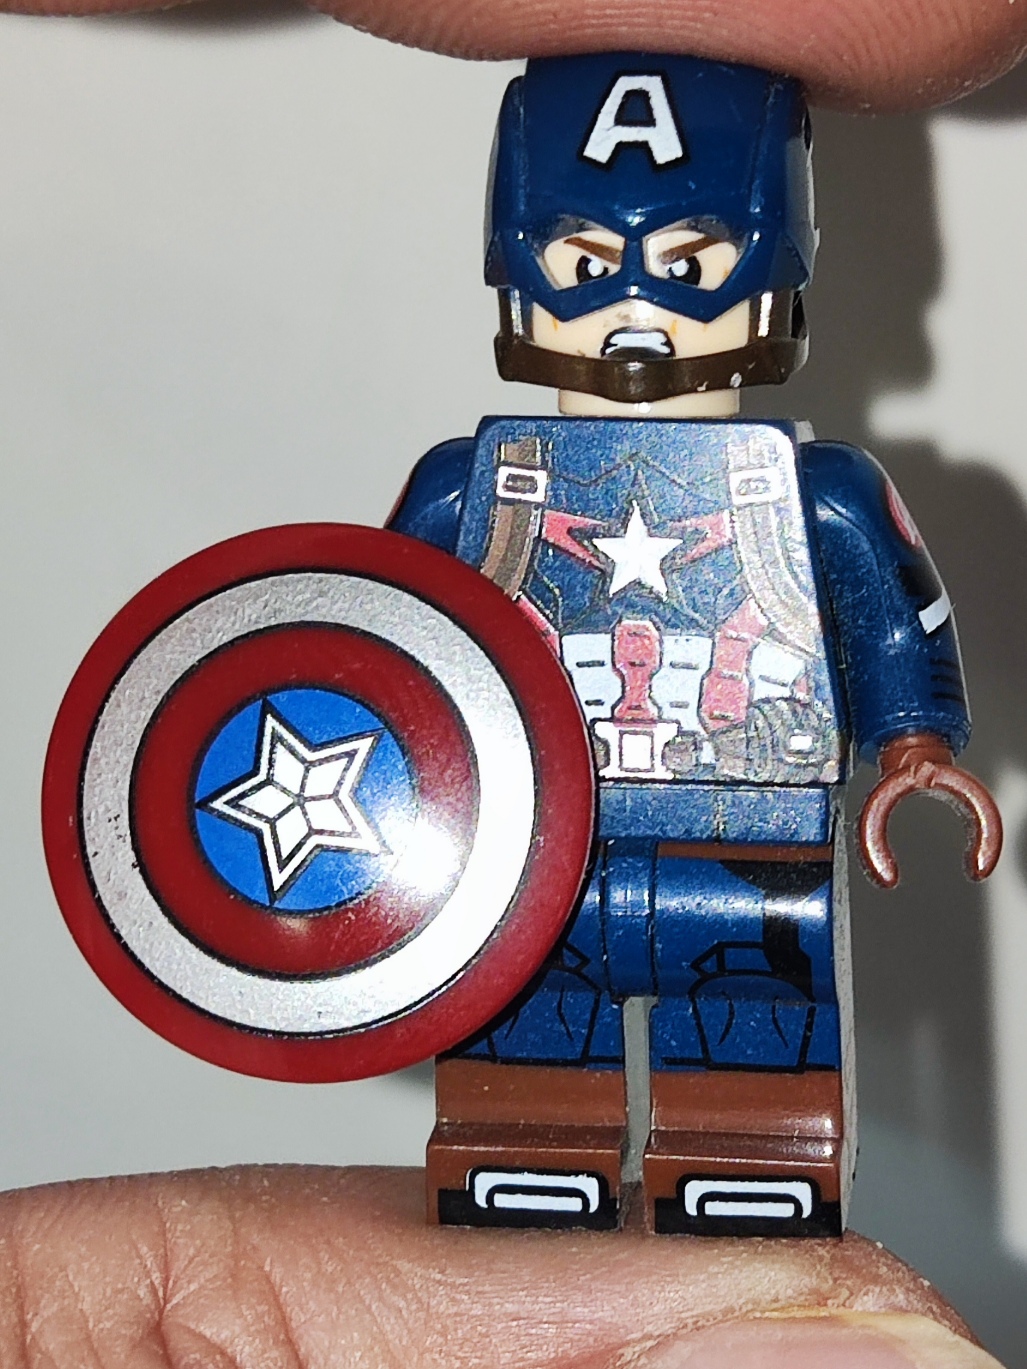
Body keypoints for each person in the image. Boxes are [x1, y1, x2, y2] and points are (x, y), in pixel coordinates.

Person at [2, 0, 1024, 1358]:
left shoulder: (814, 492)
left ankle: (746, 1166)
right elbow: (372, 653)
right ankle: (530, 1154)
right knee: (533, 1072)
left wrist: (914, 744)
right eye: (589, 261)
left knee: (754, 1065)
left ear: (770, 272)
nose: (639, 306)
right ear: (522, 274)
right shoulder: (470, 488)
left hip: (753, 824)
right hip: (522, 856)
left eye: (693, 261)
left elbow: (897, 616)